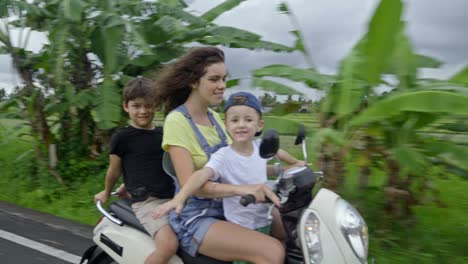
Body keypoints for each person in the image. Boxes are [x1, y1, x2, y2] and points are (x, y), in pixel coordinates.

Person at [152, 46, 284, 264]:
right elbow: (193, 186)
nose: (222, 86)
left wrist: (285, 171)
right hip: (197, 217)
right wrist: (243, 189)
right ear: (194, 82)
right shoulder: (177, 121)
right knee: (272, 252)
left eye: (223, 79)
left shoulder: (217, 119)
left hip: (230, 209)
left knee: (288, 228)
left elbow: (238, 162)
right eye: (214, 79)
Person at [152, 92, 306, 248]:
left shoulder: (260, 147)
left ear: (260, 125)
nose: (241, 124)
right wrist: (180, 197)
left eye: (248, 120)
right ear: (226, 125)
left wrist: (297, 163)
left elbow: (278, 152)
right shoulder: (223, 156)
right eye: (235, 120)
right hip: (241, 221)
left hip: (263, 215)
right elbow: (201, 175)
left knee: (288, 238)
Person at [94, 77, 179, 264]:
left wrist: (127, 184)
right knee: (168, 246)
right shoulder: (122, 138)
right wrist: (107, 192)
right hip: (147, 201)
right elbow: (114, 170)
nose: (143, 111)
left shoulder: (164, 134)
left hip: (172, 197)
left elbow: (157, 165)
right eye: (136, 106)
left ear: (156, 106)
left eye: (148, 105)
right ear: (126, 106)